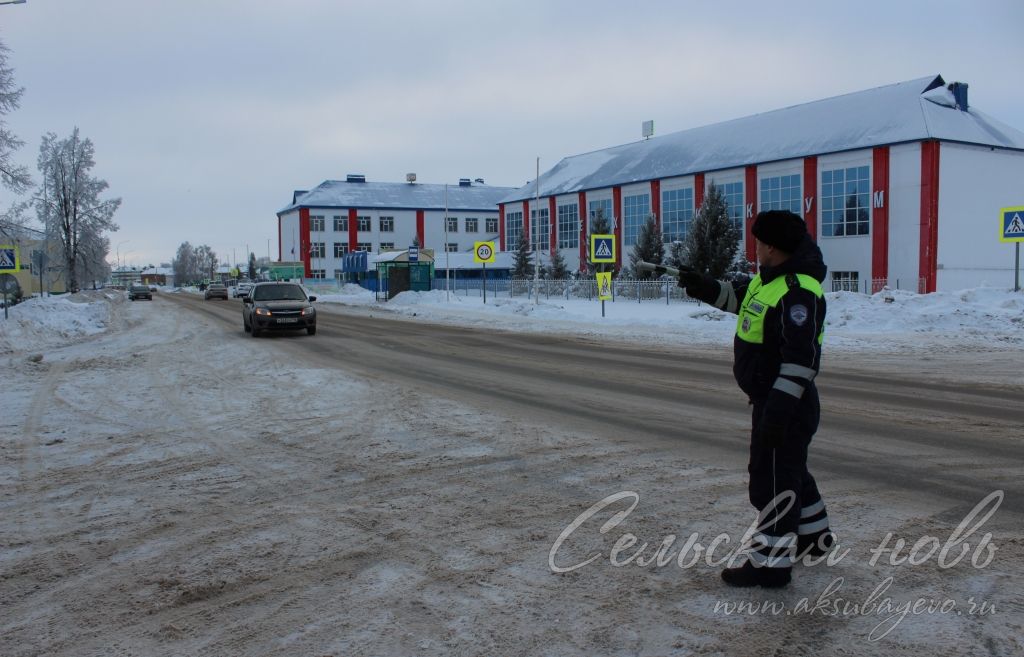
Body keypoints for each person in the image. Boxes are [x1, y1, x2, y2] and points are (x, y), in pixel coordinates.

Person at [678, 209, 835, 588]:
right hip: (776, 400)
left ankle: (770, 565)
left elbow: (801, 361)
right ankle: (815, 538)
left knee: (771, 483)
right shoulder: (772, 282)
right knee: (790, 471)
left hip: (786, 402)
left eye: (760, 242)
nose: (756, 248)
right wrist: (704, 286)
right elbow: (741, 301)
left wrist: (778, 411)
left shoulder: (798, 291)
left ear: (773, 247)